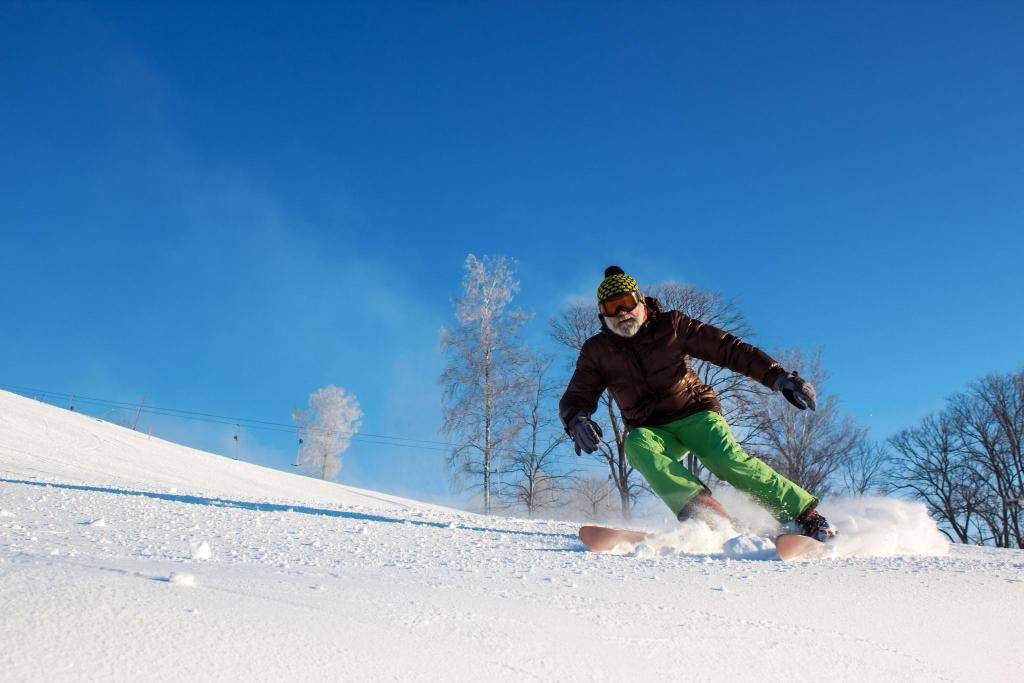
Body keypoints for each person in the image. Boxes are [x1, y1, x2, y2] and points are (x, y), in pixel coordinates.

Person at [559, 266, 837, 541]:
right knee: (636, 445)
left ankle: (806, 517)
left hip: (695, 414)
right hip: (652, 429)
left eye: (627, 303)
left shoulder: (672, 326)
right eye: (613, 308)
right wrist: (576, 419)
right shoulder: (597, 351)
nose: (622, 313)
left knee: (725, 460)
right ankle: (709, 515)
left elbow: (727, 348)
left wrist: (778, 377)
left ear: (641, 301)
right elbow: (578, 394)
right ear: (602, 315)